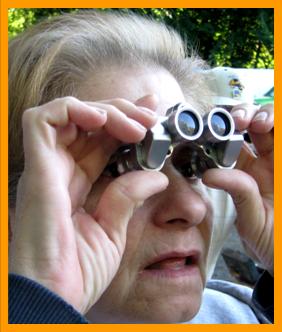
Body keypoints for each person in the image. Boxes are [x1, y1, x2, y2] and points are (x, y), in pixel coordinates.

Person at [8, 10, 274, 324]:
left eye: (193, 167)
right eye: (119, 165)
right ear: (15, 217)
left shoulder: (244, 316)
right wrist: (41, 298)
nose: (191, 208)